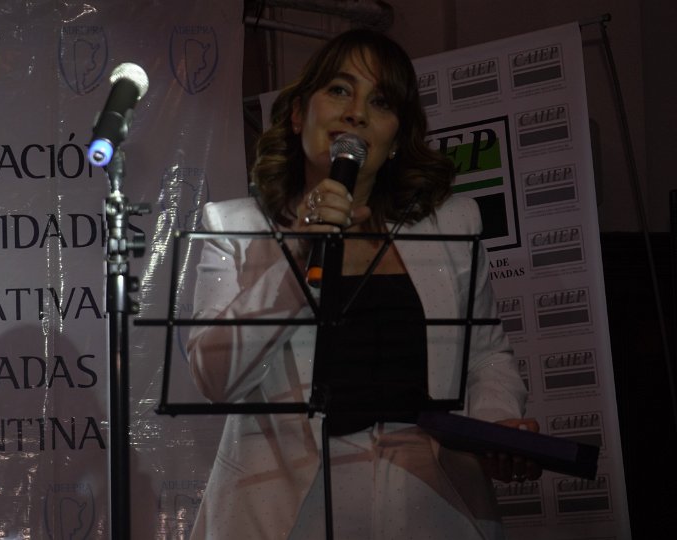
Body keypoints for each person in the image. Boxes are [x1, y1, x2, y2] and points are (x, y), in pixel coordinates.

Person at [186, 29, 540, 539]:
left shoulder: (453, 225)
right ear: (298, 114)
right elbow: (215, 377)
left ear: (395, 140)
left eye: (381, 101)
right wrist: (301, 253)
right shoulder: (234, 228)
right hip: (283, 511)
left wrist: (495, 426)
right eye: (339, 90)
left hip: (430, 503)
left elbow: (486, 356)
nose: (356, 113)